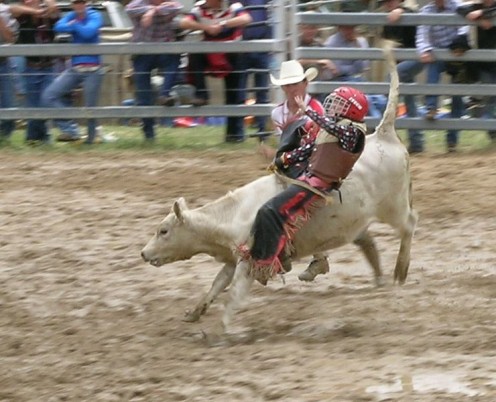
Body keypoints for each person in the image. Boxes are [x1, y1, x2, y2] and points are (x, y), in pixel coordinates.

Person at [239, 86, 368, 285]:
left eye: (339, 104)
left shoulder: (352, 132)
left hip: (317, 185)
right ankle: (271, 255)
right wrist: (282, 160)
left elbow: (329, 128)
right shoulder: (334, 127)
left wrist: (308, 111)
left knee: (270, 211)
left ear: (352, 110)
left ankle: (265, 263)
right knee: (269, 207)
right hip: (307, 178)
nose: (333, 106)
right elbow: (308, 149)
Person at [179, 0, 252, 143]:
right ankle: (201, 93)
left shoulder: (233, 6)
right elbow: (184, 23)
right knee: (195, 53)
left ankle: (235, 135)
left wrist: (223, 24)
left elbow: (246, 18)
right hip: (211, 53)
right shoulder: (200, 8)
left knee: (234, 95)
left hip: (232, 54)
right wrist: (205, 27)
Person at [41, 0, 104, 144]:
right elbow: (58, 27)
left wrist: (74, 25)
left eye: (82, 2)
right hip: (75, 67)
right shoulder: (71, 15)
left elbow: (89, 33)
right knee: (49, 96)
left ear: (86, 3)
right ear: (73, 4)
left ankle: (91, 140)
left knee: (91, 107)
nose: (79, 5)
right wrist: (75, 24)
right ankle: (71, 129)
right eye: (76, 2)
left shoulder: (95, 15)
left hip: (93, 68)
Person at [125, 0, 183, 142]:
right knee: (143, 94)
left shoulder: (170, 4)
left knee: (174, 60)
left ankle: (164, 94)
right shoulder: (137, 3)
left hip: (164, 50)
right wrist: (152, 9)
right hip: (142, 52)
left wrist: (151, 12)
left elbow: (177, 7)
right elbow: (129, 9)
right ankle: (149, 133)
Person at [416, 0, 468, 152]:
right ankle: (431, 107)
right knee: (433, 66)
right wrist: (425, 49)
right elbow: (422, 34)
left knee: (457, 97)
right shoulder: (426, 10)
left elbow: (463, 28)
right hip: (438, 54)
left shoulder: (457, 6)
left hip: (457, 53)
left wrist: (459, 45)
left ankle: (452, 141)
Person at [11, 0, 60, 145]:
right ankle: (38, 138)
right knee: (33, 104)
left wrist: (46, 8)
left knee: (46, 100)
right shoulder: (24, 17)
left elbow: (55, 8)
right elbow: (12, 9)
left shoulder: (50, 15)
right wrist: (35, 12)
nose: (29, 1)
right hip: (30, 66)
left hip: (49, 66)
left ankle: (34, 137)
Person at [379, 0, 425, 153]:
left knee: (389, 85)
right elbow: (386, 40)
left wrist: (401, 10)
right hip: (402, 62)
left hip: (417, 57)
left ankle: (385, 137)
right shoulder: (388, 19)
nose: (387, 4)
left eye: (390, 1)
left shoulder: (408, 10)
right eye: (385, 2)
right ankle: (416, 142)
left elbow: (414, 14)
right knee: (410, 97)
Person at [324, 24, 387, 119]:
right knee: (366, 100)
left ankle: (373, 126)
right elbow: (336, 70)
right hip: (340, 82)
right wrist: (350, 69)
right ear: (339, 28)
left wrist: (356, 46)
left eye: (352, 27)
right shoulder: (332, 42)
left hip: (358, 79)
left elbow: (362, 67)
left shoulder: (361, 42)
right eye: (346, 27)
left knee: (382, 101)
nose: (349, 30)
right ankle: (376, 125)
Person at [457, 0, 496, 145]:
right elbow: (459, 8)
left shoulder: (484, 9)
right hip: (484, 61)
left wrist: (482, 13)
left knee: (492, 97)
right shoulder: (476, 6)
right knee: (490, 97)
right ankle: (493, 132)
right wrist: (476, 14)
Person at [237, 0, 272, 137]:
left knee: (262, 91)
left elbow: (271, 14)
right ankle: (239, 133)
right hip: (242, 46)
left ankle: (262, 130)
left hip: (262, 46)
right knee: (240, 91)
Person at [0, 2, 18, 145]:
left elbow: (10, 39)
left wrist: (0, 21)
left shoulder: (7, 14)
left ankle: (4, 139)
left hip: (3, 63)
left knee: (9, 104)